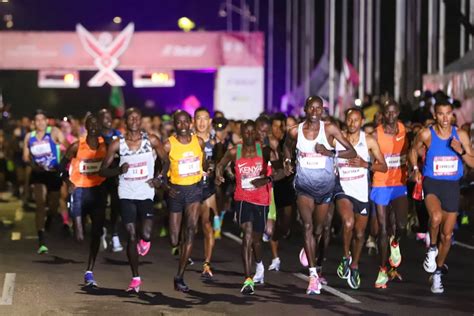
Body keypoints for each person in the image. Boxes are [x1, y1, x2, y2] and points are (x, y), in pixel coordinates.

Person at [283, 96, 356, 295]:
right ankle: (313, 276)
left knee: (318, 229)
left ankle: (310, 248)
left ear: (322, 110)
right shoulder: (295, 131)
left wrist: (330, 153)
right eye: (311, 108)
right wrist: (288, 160)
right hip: (304, 186)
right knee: (307, 226)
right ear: (305, 109)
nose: (315, 111)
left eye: (319, 108)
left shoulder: (330, 129)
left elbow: (351, 152)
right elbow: (287, 146)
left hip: (325, 188)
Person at [409, 99, 474, 293]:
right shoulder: (427, 133)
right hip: (432, 183)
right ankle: (431, 250)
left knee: (447, 235)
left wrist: (460, 151)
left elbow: (472, 161)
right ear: (435, 115)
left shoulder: (460, 134)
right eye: (440, 114)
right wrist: (414, 168)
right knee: (435, 217)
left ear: (452, 114)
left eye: (448, 114)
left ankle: (437, 273)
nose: (445, 118)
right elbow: (412, 150)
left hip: (452, 186)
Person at [100, 108, 165, 293]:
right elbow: (102, 170)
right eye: (131, 118)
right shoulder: (117, 144)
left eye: (138, 117)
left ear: (141, 120)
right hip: (126, 193)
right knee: (131, 235)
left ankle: (145, 241)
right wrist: (119, 171)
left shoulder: (151, 140)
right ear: (126, 122)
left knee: (145, 233)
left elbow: (165, 161)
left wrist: (159, 178)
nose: (135, 120)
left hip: (146, 192)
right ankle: (135, 277)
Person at [216, 120, 284, 295]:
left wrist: (266, 180)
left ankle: (259, 264)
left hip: (261, 199)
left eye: (251, 132)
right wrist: (218, 175)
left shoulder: (266, 151)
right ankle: (247, 279)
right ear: (241, 133)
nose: (248, 135)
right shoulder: (234, 152)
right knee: (246, 236)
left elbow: (282, 171)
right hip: (243, 198)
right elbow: (220, 165)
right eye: (245, 132)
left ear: (255, 133)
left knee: (256, 239)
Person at [334, 108, 387, 289]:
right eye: (349, 119)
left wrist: (365, 164)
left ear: (362, 121)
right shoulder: (337, 138)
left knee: (359, 233)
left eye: (356, 120)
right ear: (345, 120)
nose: (352, 123)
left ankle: (354, 265)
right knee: (347, 223)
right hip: (342, 188)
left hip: (361, 191)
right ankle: (345, 257)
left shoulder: (369, 140)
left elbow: (384, 167)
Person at [60, 114, 107, 287]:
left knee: (96, 232)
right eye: (91, 124)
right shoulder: (76, 146)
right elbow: (60, 168)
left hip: (98, 191)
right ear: (86, 127)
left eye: (97, 124)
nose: (94, 127)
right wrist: (68, 182)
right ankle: (77, 226)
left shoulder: (105, 144)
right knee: (79, 236)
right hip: (79, 191)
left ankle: (89, 271)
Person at [162, 110, 205, 292]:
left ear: (190, 123)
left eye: (185, 122)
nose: (183, 126)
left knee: (190, 231)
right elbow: (161, 171)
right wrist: (166, 187)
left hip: (194, 191)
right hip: (176, 192)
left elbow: (204, 162)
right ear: (174, 124)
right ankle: (180, 246)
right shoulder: (168, 145)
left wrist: (207, 169)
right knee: (174, 239)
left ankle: (179, 276)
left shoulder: (199, 142)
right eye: (178, 123)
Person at [370, 101, 409, 289]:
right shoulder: (376, 134)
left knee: (401, 225)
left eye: (394, 112)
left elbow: (412, 149)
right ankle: (383, 269)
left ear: (398, 113)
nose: (391, 116)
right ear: (383, 114)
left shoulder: (403, 130)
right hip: (381, 184)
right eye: (388, 113)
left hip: (399, 183)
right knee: (383, 228)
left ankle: (395, 243)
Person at [23, 110, 65, 254]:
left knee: (53, 206)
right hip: (39, 174)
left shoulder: (54, 132)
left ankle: (50, 219)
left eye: (43, 120)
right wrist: (33, 164)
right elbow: (25, 156)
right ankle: (41, 239)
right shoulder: (30, 136)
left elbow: (66, 146)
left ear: (46, 121)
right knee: (40, 204)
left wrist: (62, 151)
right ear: (34, 123)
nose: (40, 122)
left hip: (53, 173)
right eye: (37, 120)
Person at [193, 107, 219, 279]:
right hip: (190, 188)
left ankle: (207, 263)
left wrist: (217, 170)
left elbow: (221, 163)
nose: (202, 122)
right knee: (190, 226)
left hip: (207, 188)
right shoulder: (188, 140)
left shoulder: (216, 143)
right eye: (198, 119)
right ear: (193, 121)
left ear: (209, 121)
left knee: (207, 225)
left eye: (205, 119)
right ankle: (182, 250)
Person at [98, 108, 123, 252]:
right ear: (99, 120)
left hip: (115, 175)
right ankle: (101, 231)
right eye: (104, 117)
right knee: (100, 206)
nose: (107, 120)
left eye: (109, 117)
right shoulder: (96, 137)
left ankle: (114, 234)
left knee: (116, 206)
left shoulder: (118, 135)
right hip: (100, 176)